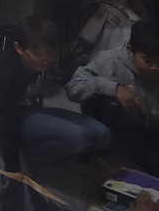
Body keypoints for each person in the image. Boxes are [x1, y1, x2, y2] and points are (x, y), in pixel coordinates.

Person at [0, 15, 110, 174]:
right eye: (37, 54)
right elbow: (5, 122)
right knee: (78, 137)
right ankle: (36, 159)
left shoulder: (44, 61)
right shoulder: (7, 73)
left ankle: (60, 151)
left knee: (101, 133)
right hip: (13, 119)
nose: (45, 60)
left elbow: (64, 79)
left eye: (50, 52)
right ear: (19, 48)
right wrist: (12, 169)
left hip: (34, 111)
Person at [66, 20, 159, 174]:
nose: (155, 67)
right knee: (107, 101)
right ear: (130, 50)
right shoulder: (109, 61)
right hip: (120, 125)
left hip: (150, 128)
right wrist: (113, 88)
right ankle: (95, 152)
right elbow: (73, 88)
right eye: (148, 61)